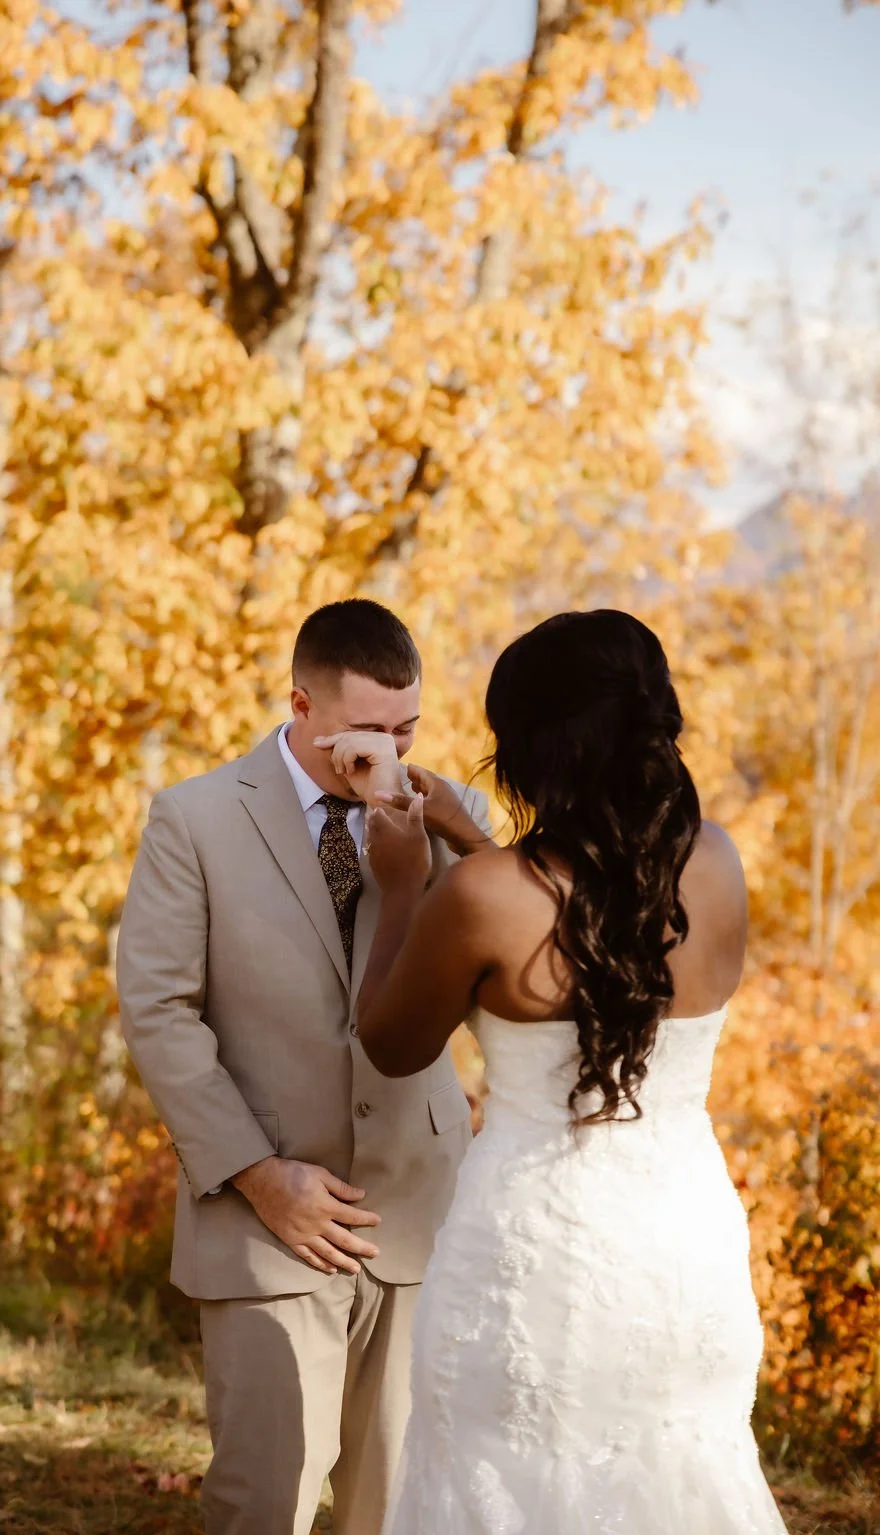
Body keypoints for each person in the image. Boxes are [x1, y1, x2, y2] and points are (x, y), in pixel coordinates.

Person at [357, 610, 789, 1535]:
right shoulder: (715, 862)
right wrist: (473, 849)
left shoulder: (474, 898)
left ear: (533, 750)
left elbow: (390, 1044)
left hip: (530, 1256)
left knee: (509, 1477)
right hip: (682, 1241)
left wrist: (402, 889)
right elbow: (595, 915)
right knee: (673, 1467)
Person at [115, 599, 489, 1535]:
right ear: (302, 704)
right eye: (367, 732)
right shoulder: (193, 817)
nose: (391, 752)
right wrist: (257, 1174)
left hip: (416, 1212)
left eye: (408, 728)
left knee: (399, 1506)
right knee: (261, 1501)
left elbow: (524, 958)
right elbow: (159, 1011)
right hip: (263, 1218)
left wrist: (438, 835)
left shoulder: (453, 816)